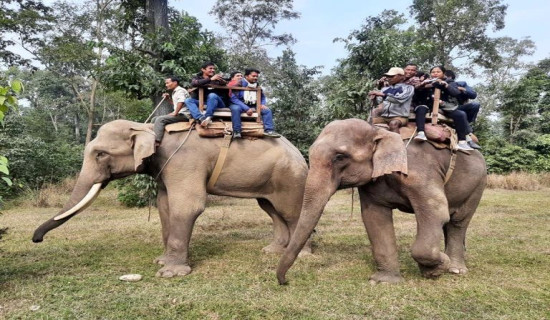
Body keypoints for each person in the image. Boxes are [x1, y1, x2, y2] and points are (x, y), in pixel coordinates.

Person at [413, 66, 474, 151]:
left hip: (444, 107)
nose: (435, 74)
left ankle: (462, 142)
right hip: (429, 106)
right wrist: (423, 85)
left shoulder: (450, 82)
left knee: (461, 114)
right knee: (421, 108)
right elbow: (416, 92)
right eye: (433, 72)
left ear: (443, 74)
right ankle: (421, 133)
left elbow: (455, 93)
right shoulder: (426, 82)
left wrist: (446, 85)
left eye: (438, 72)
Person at [228, 68, 280, 139]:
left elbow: (262, 97)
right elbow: (233, 98)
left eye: (256, 76)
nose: (255, 78)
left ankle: (269, 130)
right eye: (253, 76)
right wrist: (246, 108)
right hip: (239, 104)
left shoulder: (256, 85)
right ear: (246, 76)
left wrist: (262, 104)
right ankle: (237, 131)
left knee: (267, 110)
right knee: (235, 109)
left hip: (252, 105)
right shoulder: (238, 84)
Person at [368, 67, 414, 133]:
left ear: (401, 76)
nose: (389, 78)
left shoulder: (408, 88)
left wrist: (382, 95)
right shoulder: (385, 89)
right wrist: (374, 97)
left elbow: (399, 99)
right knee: (367, 123)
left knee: (393, 124)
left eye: (392, 76)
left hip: (399, 117)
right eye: (388, 76)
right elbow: (379, 101)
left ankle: (397, 142)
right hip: (384, 117)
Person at [444, 70, 481, 149]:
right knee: (460, 113)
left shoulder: (461, 84)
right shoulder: (438, 83)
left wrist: (463, 89)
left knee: (475, 105)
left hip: (458, 106)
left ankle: (467, 124)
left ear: (450, 77)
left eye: (447, 77)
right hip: (446, 106)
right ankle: (467, 133)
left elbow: (473, 95)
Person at [184, 61, 228, 127]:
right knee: (188, 100)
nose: (213, 70)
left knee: (212, 95)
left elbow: (227, 82)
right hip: (204, 103)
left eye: (214, 69)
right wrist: (210, 79)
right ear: (203, 69)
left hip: (218, 103)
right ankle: (201, 118)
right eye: (210, 68)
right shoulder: (197, 78)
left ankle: (208, 116)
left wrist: (222, 82)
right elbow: (194, 83)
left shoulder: (217, 78)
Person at [153, 76, 190, 146]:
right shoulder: (175, 92)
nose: (166, 85)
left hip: (184, 114)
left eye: (167, 83)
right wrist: (168, 99)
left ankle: (156, 141)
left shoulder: (180, 90)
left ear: (175, 82)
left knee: (160, 119)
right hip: (180, 113)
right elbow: (176, 104)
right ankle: (153, 134)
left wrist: (175, 113)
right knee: (154, 119)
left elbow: (181, 102)